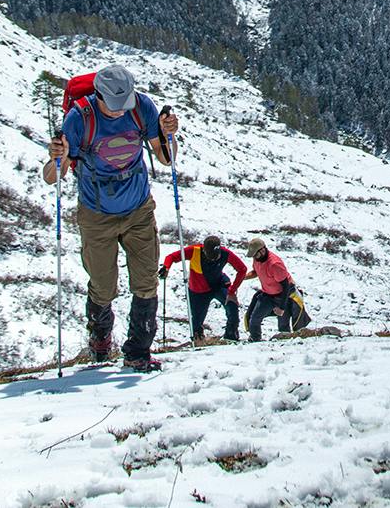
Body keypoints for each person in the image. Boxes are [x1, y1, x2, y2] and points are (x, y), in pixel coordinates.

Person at [43, 64, 178, 371]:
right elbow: (54, 176)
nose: (119, 112)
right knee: (104, 286)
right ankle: (100, 342)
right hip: (96, 215)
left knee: (146, 282)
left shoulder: (141, 106)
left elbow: (164, 156)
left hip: (138, 208)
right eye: (113, 106)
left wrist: (169, 135)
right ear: (99, 95)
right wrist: (56, 158)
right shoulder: (79, 119)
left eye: (124, 105)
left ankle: (138, 352)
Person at [160, 234, 247, 342]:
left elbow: (242, 269)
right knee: (196, 322)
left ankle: (231, 336)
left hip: (219, 284)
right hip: (198, 291)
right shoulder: (194, 251)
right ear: (204, 250)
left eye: (216, 256)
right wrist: (166, 267)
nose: (213, 259)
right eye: (210, 257)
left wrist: (232, 290)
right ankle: (199, 339)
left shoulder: (225, 253)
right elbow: (171, 257)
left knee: (232, 306)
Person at [244, 236, 303, 341]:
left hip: (283, 295)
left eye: (255, 255)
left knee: (283, 324)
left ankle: (285, 344)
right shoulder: (257, 259)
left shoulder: (274, 264)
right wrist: (243, 278)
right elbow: (256, 272)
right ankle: (255, 340)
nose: (254, 258)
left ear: (262, 250)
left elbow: (286, 286)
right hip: (267, 294)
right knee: (254, 319)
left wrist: (281, 307)